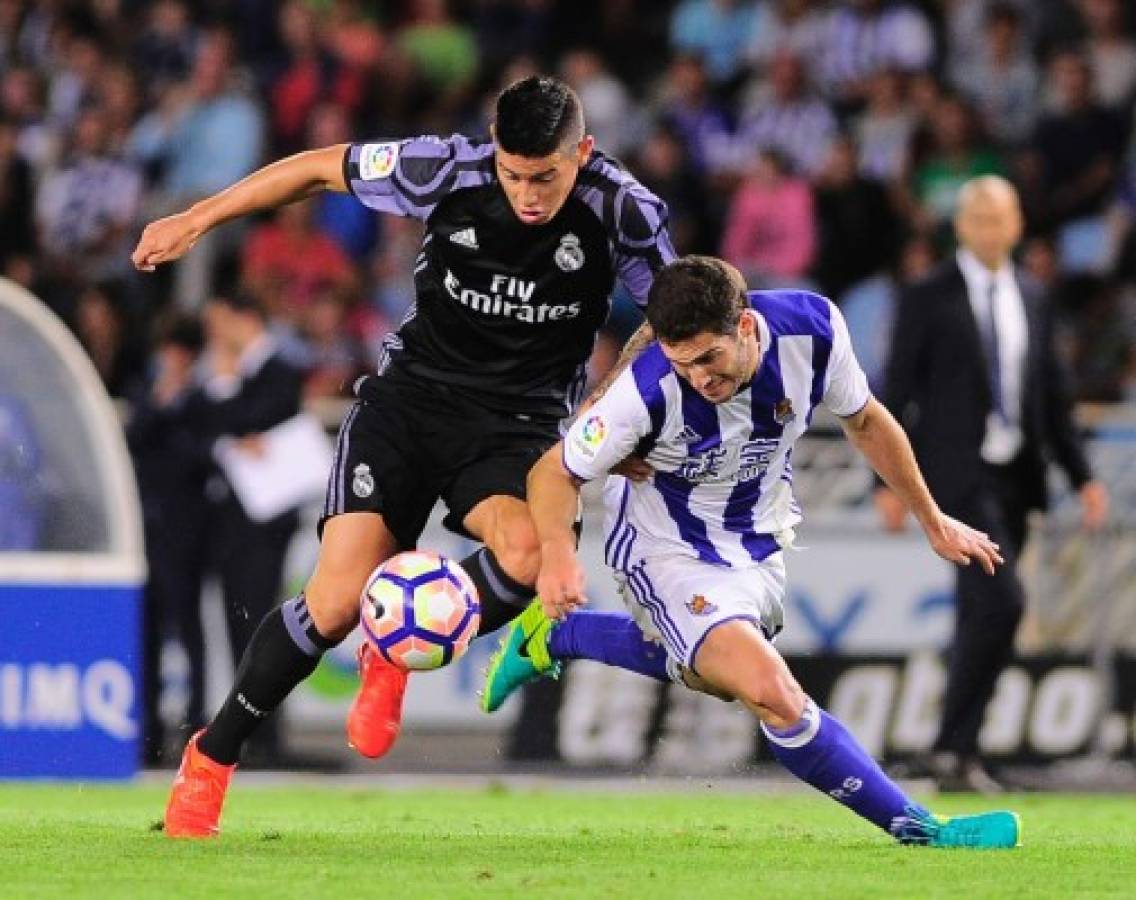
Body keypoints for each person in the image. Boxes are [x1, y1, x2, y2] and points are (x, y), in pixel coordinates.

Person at [131, 74, 675, 837]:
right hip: (408, 405)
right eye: (513, 173)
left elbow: (671, 320)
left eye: (545, 176)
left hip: (516, 427)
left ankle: (400, 642)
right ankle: (211, 761)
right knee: (333, 603)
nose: (527, 194)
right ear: (493, 151)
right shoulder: (443, 169)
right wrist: (200, 216)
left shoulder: (623, 209)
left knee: (526, 556)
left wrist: (613, 414)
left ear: (581, 153)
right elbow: (319, 166)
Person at [481, 255, 1019, 848]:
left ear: (744, 324)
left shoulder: (812, 330)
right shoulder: (643, 389)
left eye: (710, 358)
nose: (700, 379)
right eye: (684, 365)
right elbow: (553, 472)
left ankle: (561, 635)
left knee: (715, 676)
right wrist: (558, 553)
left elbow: (865, 420)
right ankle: (921, 828)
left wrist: (931, 517)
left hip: (758, 537)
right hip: (664, 547)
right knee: (772, 692)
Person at [874, 175, 1109, 792]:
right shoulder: (927, 295)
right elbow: (895, 390)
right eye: (977, 215)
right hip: (957, 480)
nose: (989, 227)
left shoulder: (1033, 294)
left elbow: (1052, 394)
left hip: (1018, 478)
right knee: (1002, 602)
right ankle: (955, 747)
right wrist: (888, 484)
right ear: (961, 224)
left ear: (1017, 224)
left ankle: (959, 753)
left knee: (982, 615)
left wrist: (1082, 476)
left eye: (999, 216)